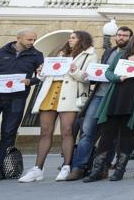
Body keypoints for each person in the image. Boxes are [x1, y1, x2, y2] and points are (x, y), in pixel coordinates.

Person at [19, 31, 97, 182]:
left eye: (73, 38)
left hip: (69, 94)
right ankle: (37, 169)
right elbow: (44, 75)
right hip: (51, 92)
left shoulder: (90, 55)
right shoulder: (60, 53)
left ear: (82, 40)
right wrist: (41, 72)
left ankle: (66, 167)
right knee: (45, 131)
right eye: (70, 38)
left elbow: (88, 77)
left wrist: (74, 70)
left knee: (67, 131)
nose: (70, 40)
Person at [84, 31, 134, 182]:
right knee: (107, 134)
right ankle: (97, 170)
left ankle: (120, 170)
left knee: (127, 134)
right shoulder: (122, 55)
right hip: (116, 97)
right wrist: (118, 78)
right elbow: (109, 72)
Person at [66, 26, 133, 181]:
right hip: (99, 94)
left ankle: (103, 167)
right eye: (119, 35)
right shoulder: (109, 52)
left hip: (115, 97)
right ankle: (78, 167)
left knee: (111, 134)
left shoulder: (131, 54)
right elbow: (102, 70)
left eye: (125, 35)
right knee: (87, 132)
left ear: (130, 38)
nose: (121, 37)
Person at [0, 29, 43, 181]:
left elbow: (42, 75)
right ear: (18, 38)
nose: (32, 42)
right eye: (29, 39)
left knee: (8, 133)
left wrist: (31, 81)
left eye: (34, 39)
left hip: (17, 99)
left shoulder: (37, 55)